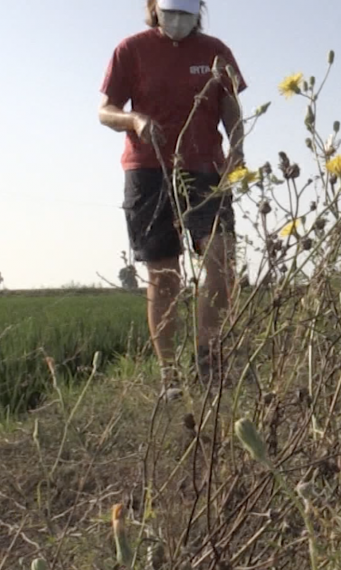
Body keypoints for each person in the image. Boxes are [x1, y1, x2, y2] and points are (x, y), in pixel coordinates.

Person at [98, 0, 247, 385]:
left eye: (187, 11)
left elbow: (230, 106)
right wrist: (134, 118)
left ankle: (209, 361)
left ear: (199, 10)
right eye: (171, 11)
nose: (179, 19)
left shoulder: (216, 52)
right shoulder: (130, 50)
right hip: (149, 170)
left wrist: (238, 147)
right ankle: (170, 375)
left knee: (221, 258)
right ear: (154, 8)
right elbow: (105, 111)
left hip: (205, 171)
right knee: (164, 275)